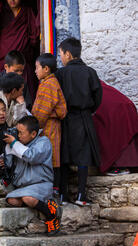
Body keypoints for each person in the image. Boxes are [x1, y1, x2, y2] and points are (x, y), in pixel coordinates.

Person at [55, 37, 102, 206]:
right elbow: (98, 97)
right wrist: (88, 110)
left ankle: (62, 195)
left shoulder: (60, 73)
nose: (61, 58)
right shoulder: (90, 72)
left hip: (65, 118)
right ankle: (81, 194)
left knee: (64, 154)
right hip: (84, 117)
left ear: (68, 54)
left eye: (61, 54)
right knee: (83, 156)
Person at [1, 116, 62, 236]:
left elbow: (31, 157)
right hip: (24, 186)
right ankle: (46, 205)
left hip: (41, 184)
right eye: (17, 132)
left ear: (33, 134)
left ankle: (52, 217)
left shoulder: (43, 142)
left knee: (28, 199)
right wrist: (8, 149)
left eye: (21, 133)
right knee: (12, 200)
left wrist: (14, 143)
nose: (18, 136)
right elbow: (9, 165)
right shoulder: (19, 143)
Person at [31, 53, 67, 201]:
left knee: (52, 158)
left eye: (37, 68)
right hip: (49, 126)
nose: (35, 71)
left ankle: (53, 191)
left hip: (48, 127)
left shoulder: (49, 84)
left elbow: (42, 111)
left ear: (46, 69)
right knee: (52, 156)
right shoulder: (47, 82)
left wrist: (32, 127)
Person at [0, 0, 40, 99]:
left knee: (27, 91)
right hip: (5, 56)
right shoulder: (1, 12)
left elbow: (34, 33)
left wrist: (31, 44)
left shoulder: (27, 12)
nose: (12, 0)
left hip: (23, 58)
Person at [93, 81, 138, 176]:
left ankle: (119, 166)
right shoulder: (99, 85)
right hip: (126, 106)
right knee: (125, 136)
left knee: (114, 136)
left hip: (115, 110)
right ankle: (131, 165)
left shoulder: (89, 88)